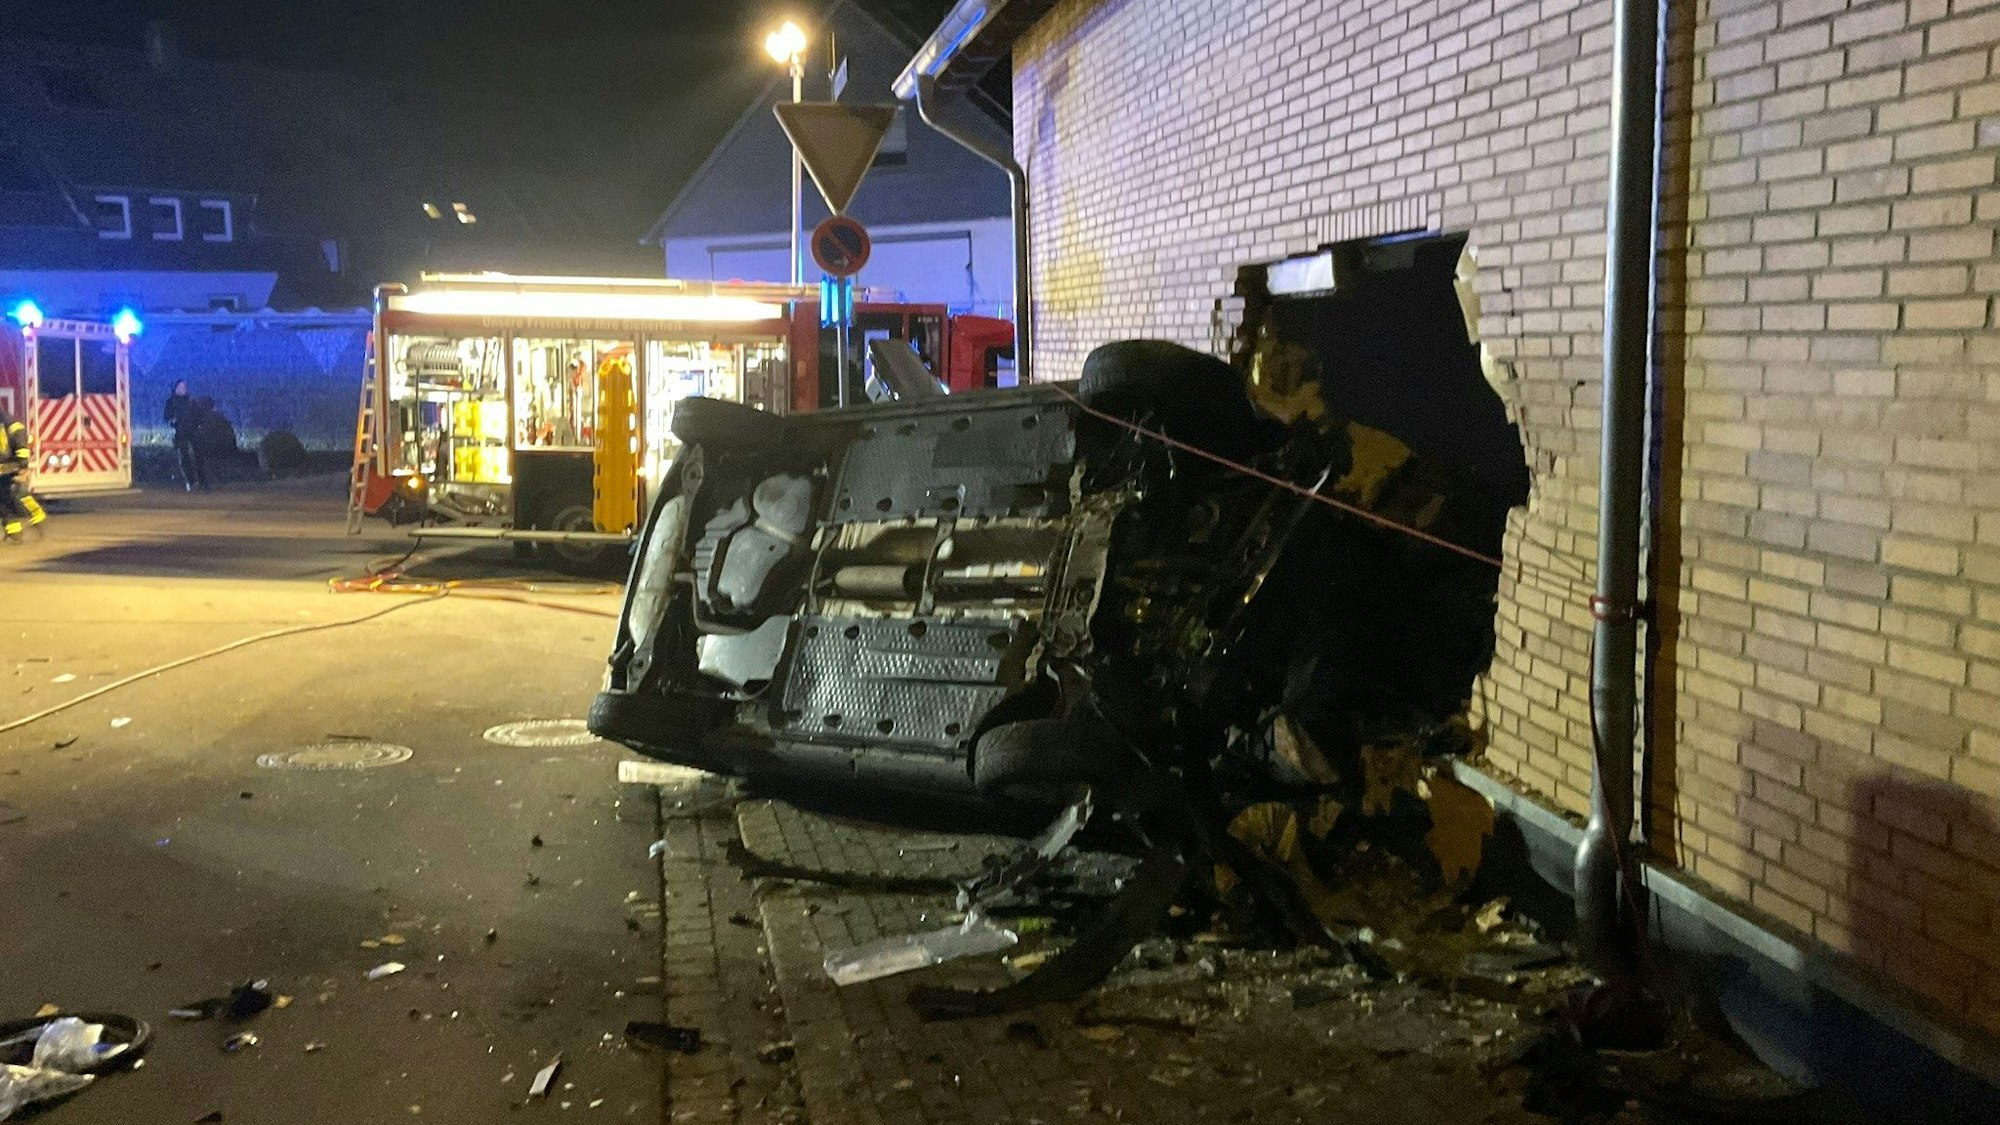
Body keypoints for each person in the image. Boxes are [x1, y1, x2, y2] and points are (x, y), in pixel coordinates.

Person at [0, 404, 46, 541]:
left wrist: (22, 465)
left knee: (18, 493)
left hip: (13, 465)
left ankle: (38, 516)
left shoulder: (14, 426)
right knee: (3, 498)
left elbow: (21, 445)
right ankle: (13, 530)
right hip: (4, 466)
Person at [164, 379, 208, 490]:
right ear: (176, 388)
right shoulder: (171, 402)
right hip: (180, 432)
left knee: (199, 456)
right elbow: (167, 417)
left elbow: (198, 415)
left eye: (184, 387)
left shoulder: (191, 401)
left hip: (193, 432)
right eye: (180, 387)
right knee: (184, 457)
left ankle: (203, 481)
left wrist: (199, 425)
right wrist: (173, 422)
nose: (182, 389)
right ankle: (191, 482)